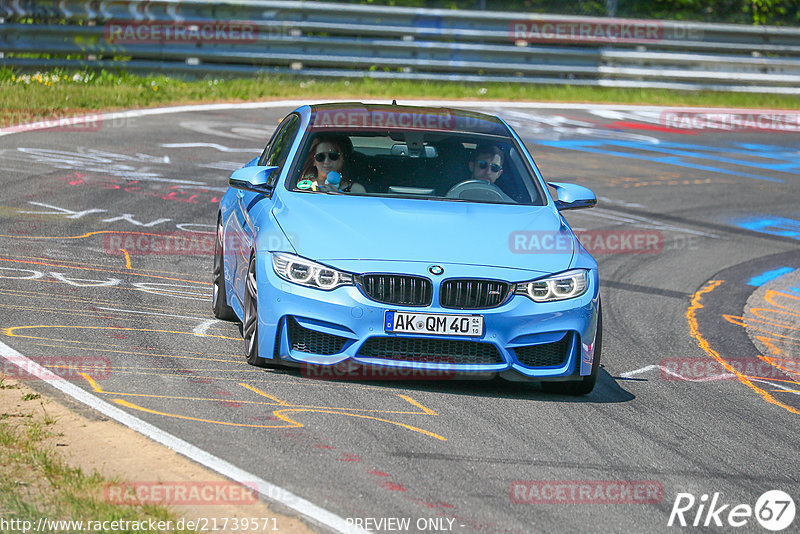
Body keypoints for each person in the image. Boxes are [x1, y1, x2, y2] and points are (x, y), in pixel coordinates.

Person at [298, 135, 366, 193]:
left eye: (333, 156)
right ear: (314, 161)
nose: (326, 161)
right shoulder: (301, 186)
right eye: (320, 157)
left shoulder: (355, 189)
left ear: (342, 160)